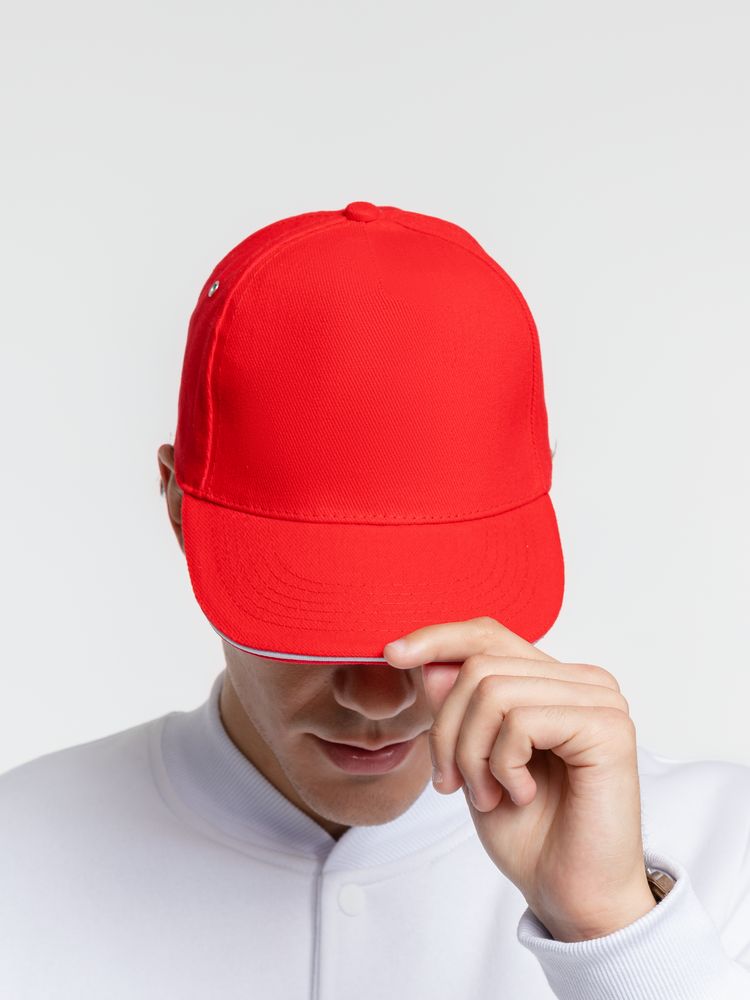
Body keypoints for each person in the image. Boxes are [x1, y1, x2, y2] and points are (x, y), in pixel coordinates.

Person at [2, 201, 749, 999]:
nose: (377, 698)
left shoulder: (718, 851)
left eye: (433, 611)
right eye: (309, 611)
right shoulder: (21, 856)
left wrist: (615, 934)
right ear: (180, 510)